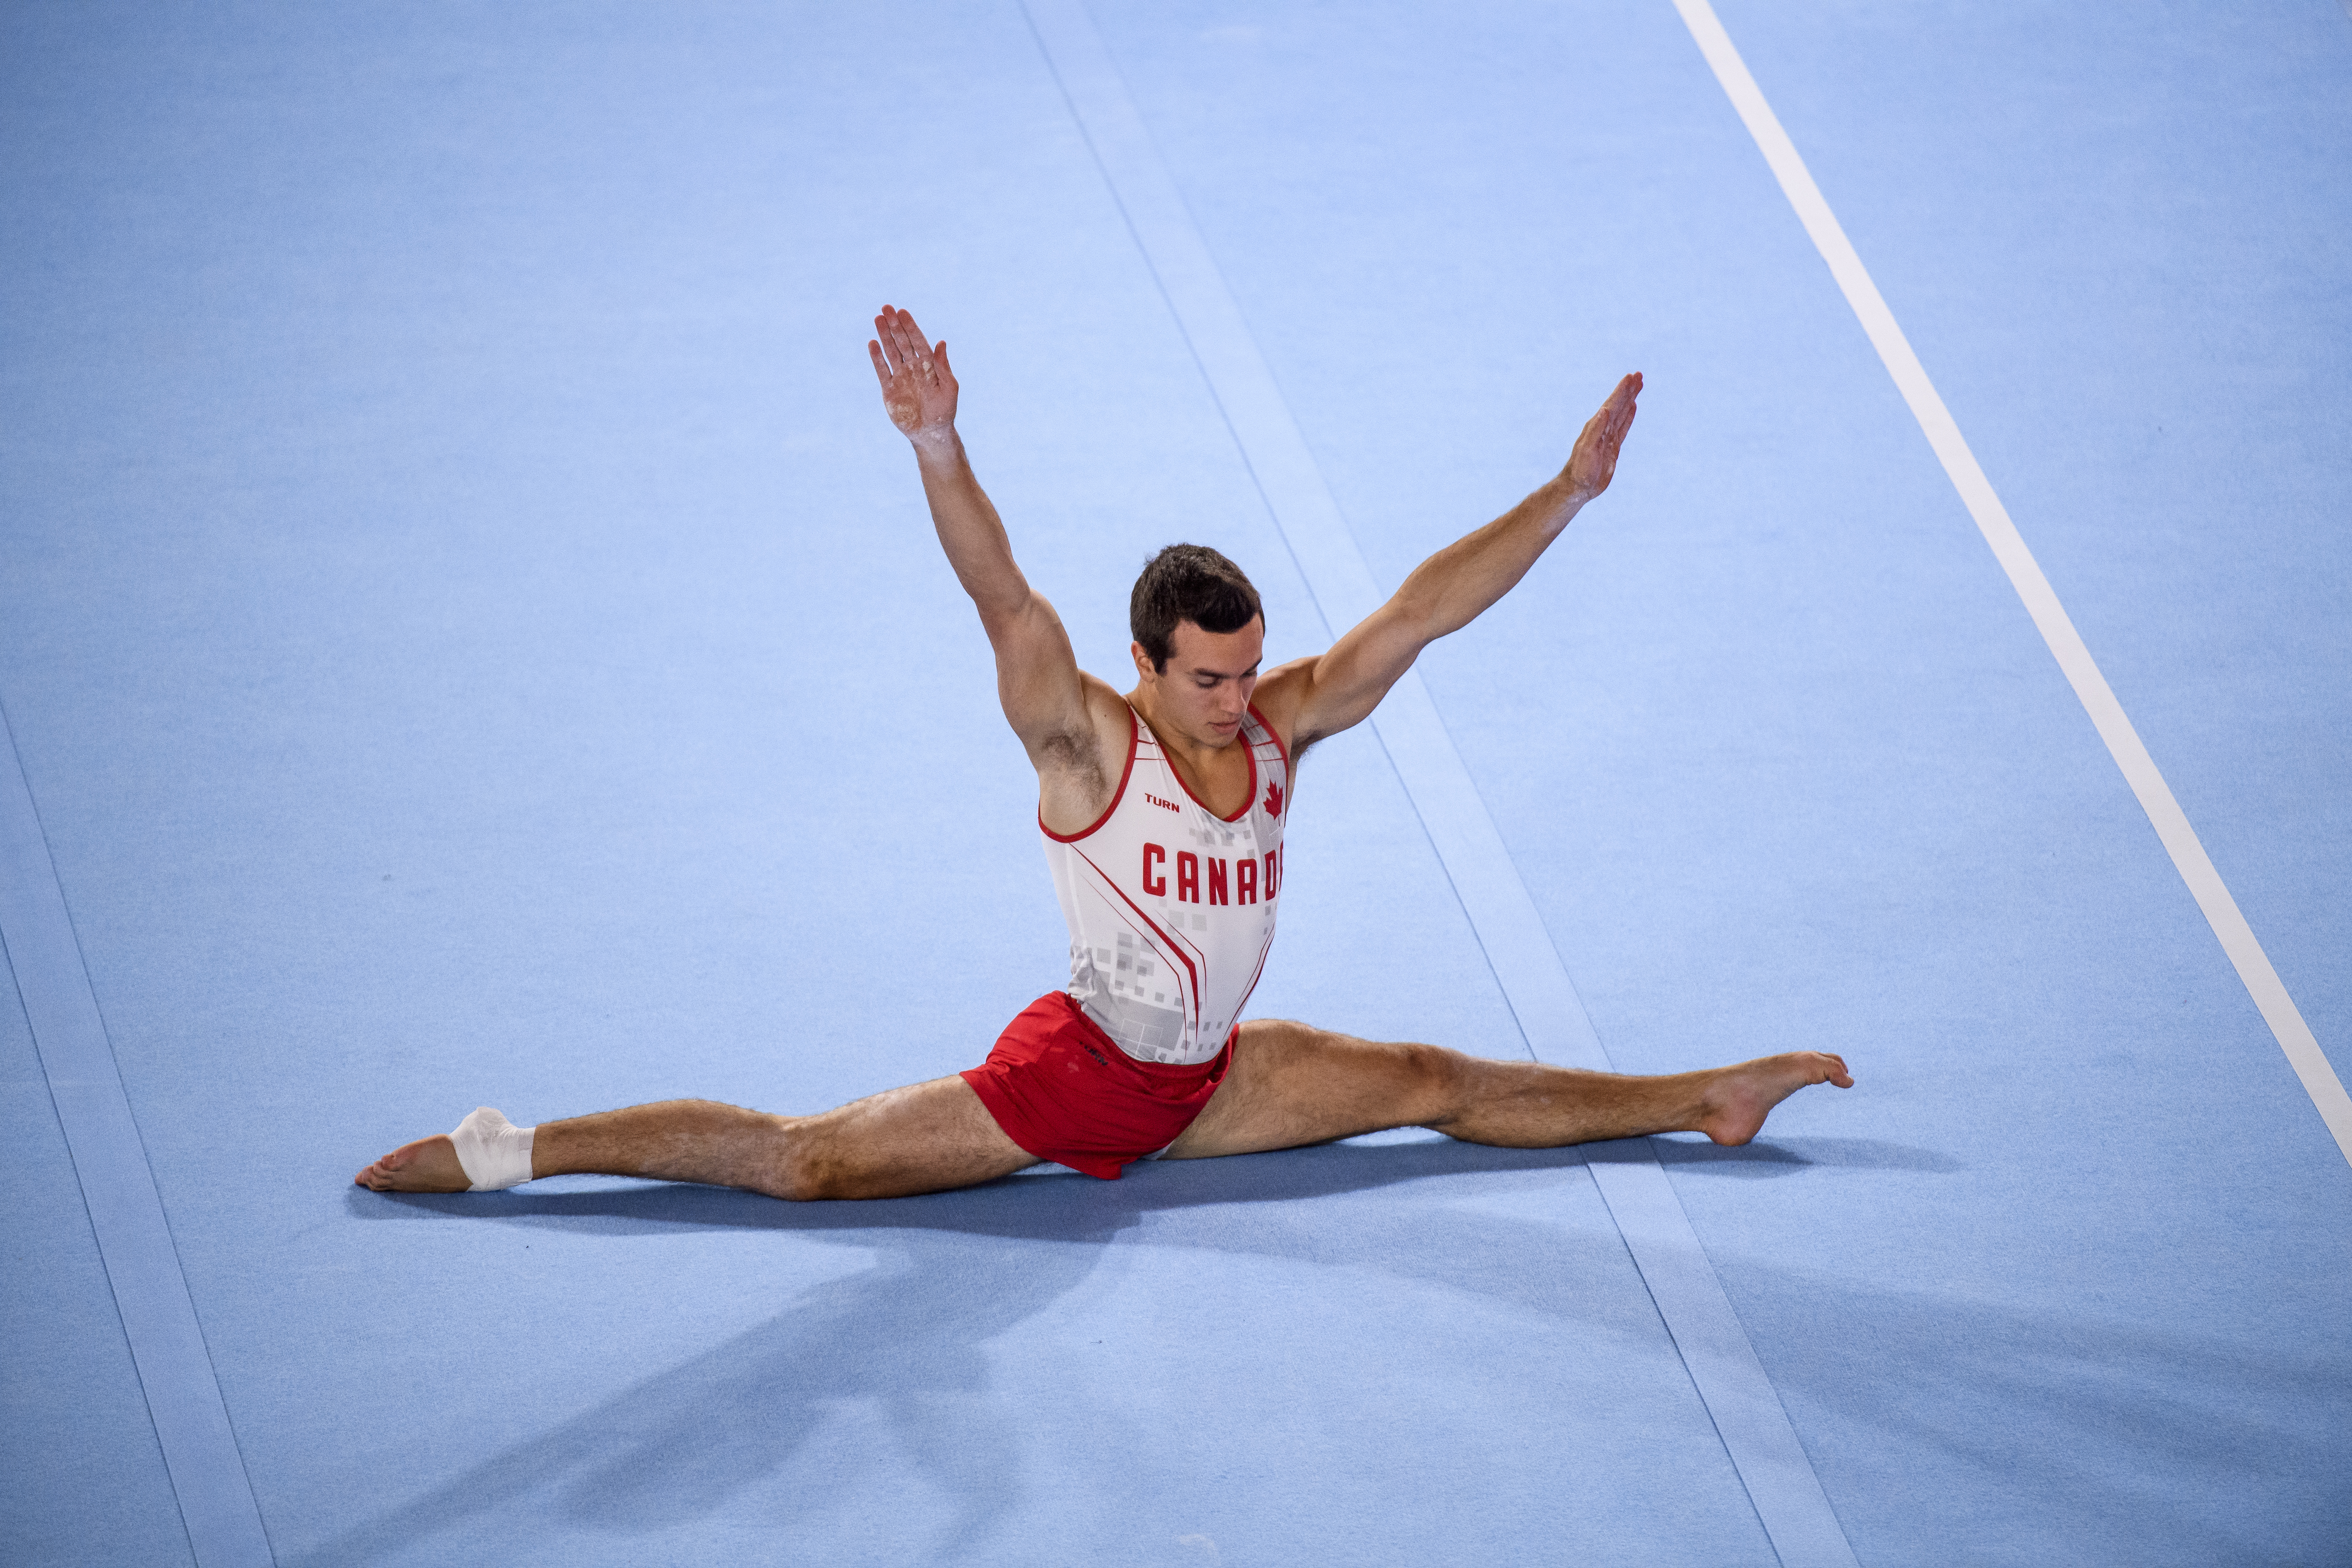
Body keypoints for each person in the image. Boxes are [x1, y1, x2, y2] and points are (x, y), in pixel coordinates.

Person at [355, 305, 1850, 1201]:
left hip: (1210, 1083)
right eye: (1209, 678)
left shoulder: (1278, 722)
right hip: (1072, 1082)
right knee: (803, 1163)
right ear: (1145, 665)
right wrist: (938, 447)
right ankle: (510, 1150)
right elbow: (1004, 599)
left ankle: (1706, 1097)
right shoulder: (1087, 746)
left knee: (1431, 1077)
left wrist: (1568, 493)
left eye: (1250, 671)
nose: (1239, 700)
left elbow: (1422, 613)